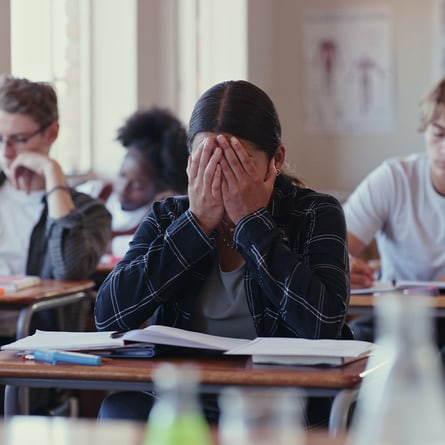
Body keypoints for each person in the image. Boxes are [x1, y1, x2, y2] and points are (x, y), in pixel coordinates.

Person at [94, 80, 350, 425]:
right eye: (208, 162)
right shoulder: (169, 215)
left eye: (236, 164)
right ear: (189, 164)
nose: (220, 176)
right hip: (186, 393)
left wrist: (252, 222)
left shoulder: (316, 212)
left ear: (276, 160)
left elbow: (324, 325)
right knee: (119, 412)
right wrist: (196, 224)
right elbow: (109, 315)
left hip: (284, 394)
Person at [0, 74, 112, 335]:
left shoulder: (89, 211)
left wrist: (52, 172)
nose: (6, 152)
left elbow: (69, 269)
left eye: (19, 139)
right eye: (1, 138)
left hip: (33, 342)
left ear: (52, 132)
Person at [344, 76, 445, 343]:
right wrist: (341, 265)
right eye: (439, 133)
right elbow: (330, 249)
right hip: (394, 318)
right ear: (425, 130)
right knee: (351, 346)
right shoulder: (395, 178)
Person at [77, 108, 189, 258]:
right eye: (122, 175)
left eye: (138, 185)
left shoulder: (156, 220)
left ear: (159, 187)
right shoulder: (94, 193)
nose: (124, 188)